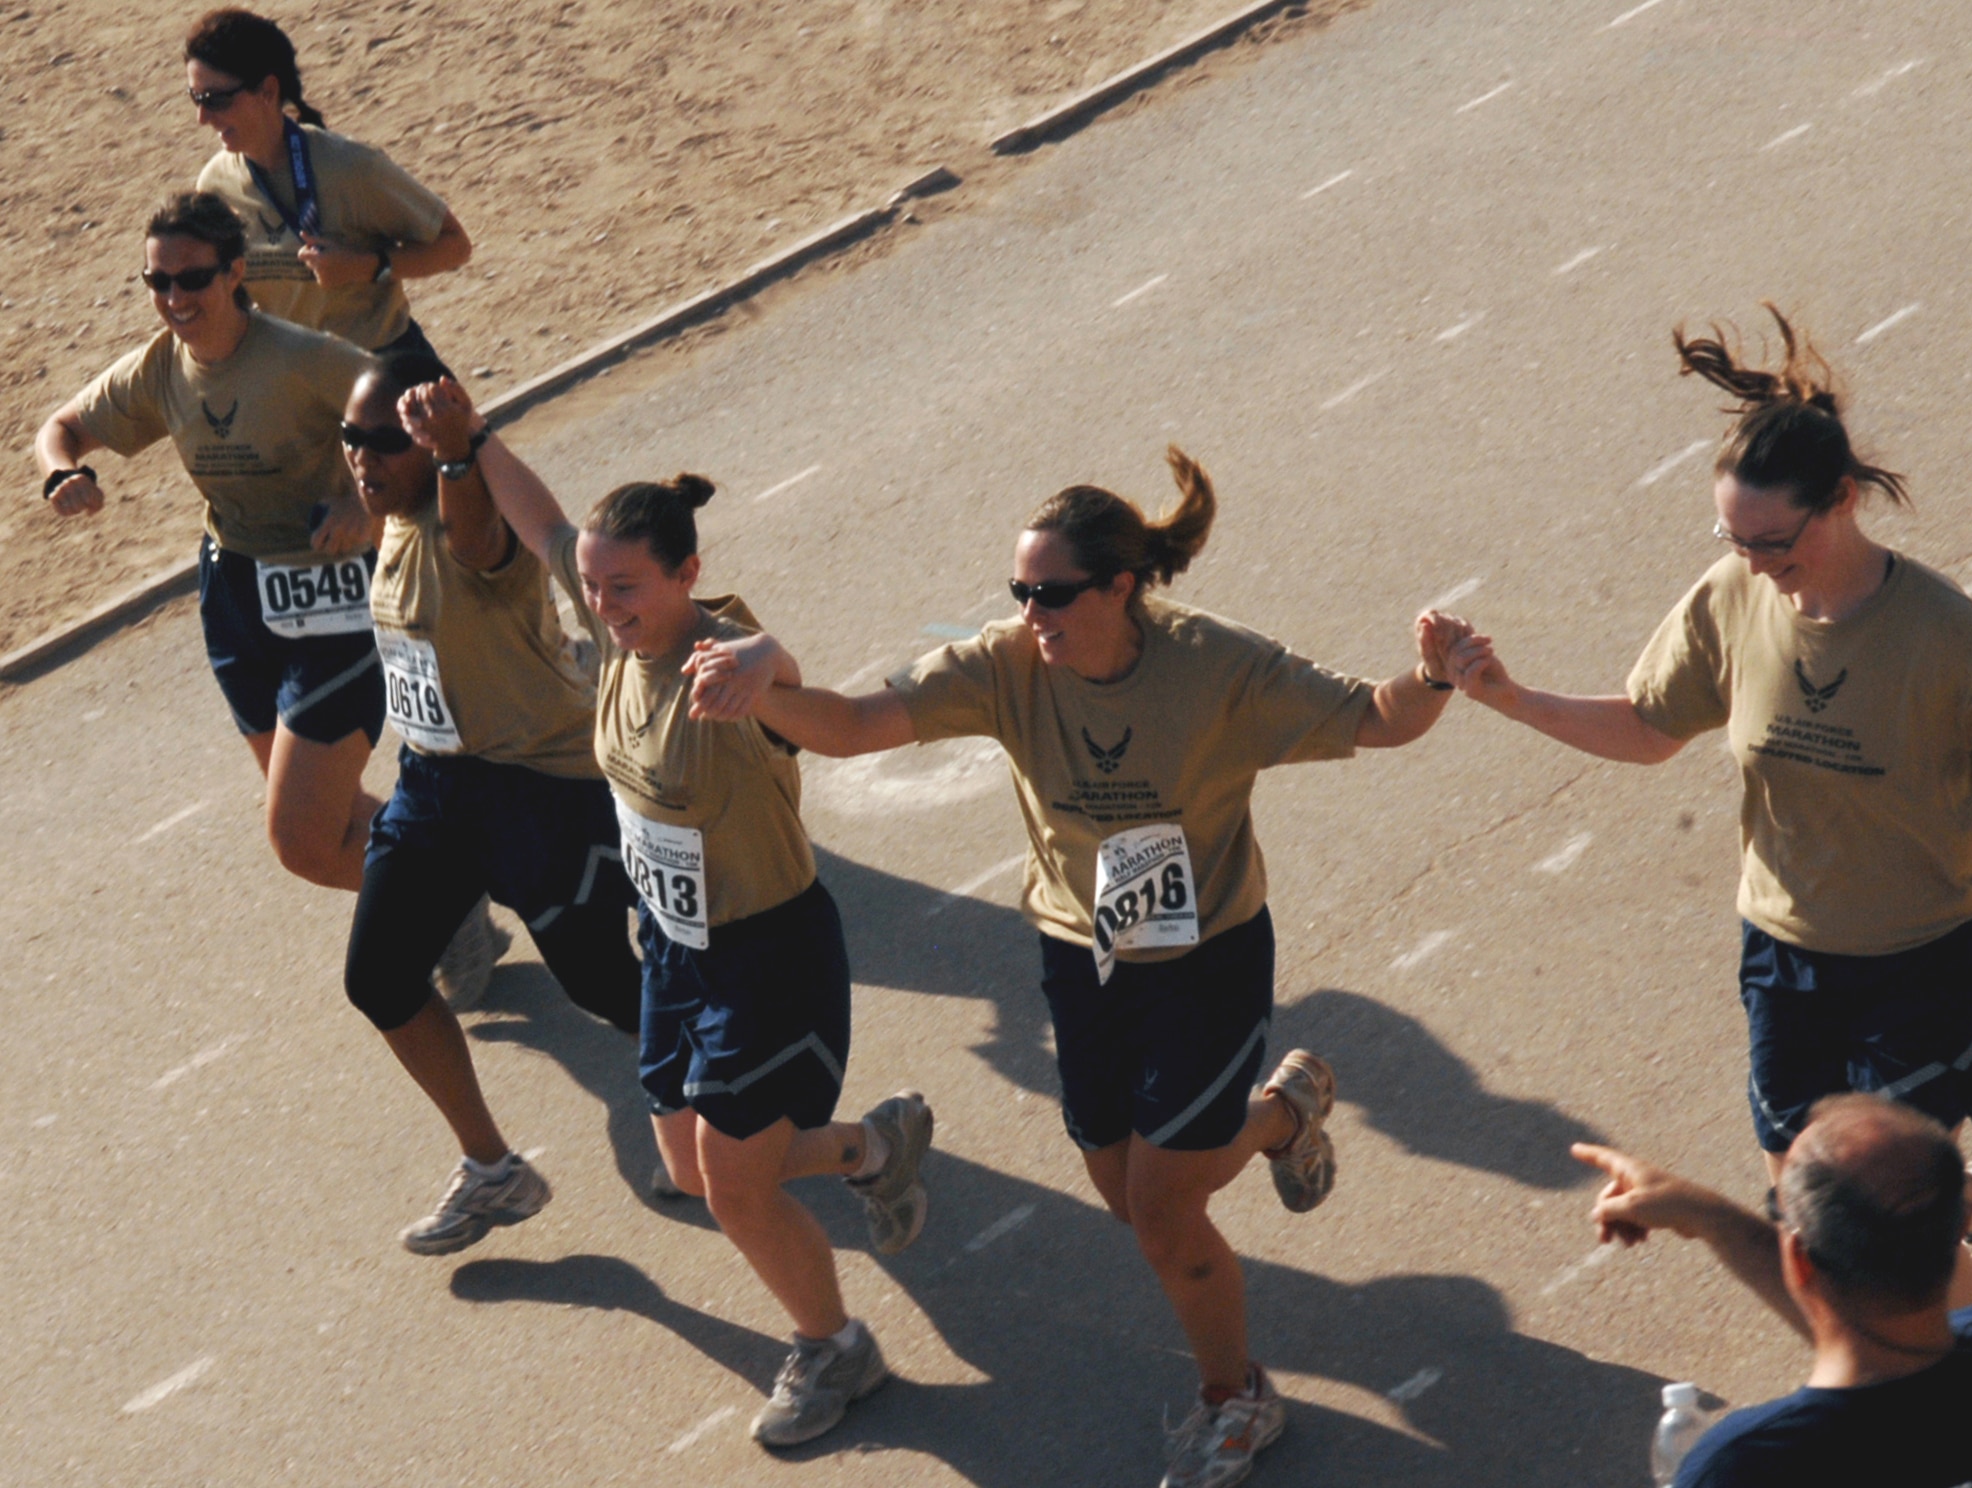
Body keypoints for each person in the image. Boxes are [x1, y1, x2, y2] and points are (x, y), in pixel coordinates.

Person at [687, 447, 1463, 1488]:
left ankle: (1237, 1401)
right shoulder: (1004, 664)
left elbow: (1377, 718)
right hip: (1080, 953)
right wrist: (765, 673)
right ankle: (1282, 1115)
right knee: (1120, 1188)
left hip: (1205, 960)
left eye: (1051, 594)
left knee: (1159, 1213)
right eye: (1020, 591)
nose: (1030, 611)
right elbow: (849, 726)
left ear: (1120, 588)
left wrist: (1431, 675)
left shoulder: (1214, 666)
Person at [1441, 305, 1972, 1182]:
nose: (1751, 563)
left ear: (1842, 501)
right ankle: (1970, 1226)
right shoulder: (1731, 598)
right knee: (1799, 1186)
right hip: (1783, 959)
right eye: (1733, 540)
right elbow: (1647, 727)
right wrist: (1508, 698)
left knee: (1872, 1212)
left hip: (1922, 968)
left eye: (1772, 542)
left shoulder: (1950, 639)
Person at [463, 416, 935, 1448]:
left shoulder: (722, 659)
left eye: (625, 588)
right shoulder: (611, 635)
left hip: (769, 951)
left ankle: (833, 1348)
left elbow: (791, 676)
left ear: (685, 576)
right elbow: (540, 523)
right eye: (593, 588)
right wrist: (470, 432)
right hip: (676, 953)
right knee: (683, 1167)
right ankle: (871, 1146)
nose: (602, 605)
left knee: (732, 1188)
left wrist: (764, 659)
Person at [336, 358, 646, 1253]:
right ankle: (493, 1170)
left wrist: (458, 455)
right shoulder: (389, 522)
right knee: (379, 979)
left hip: (540, 794)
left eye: (387, 441)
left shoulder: (468, 524)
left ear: (432, 447)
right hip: (434, 786)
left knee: (607, 988)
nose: (364, 458)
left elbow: (474, 534)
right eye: (352, 439)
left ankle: (749, 1112)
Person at [35, 191, 385, 892]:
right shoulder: (162, 367)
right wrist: (60, 475)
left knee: (299, 842)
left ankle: (437, 903)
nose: (173, 296)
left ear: (234, 273)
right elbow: (59, 429)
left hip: (334, 600)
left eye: (192, 277)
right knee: (327, 812)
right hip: (234, 600)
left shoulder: (300, 357)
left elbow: (402, 409)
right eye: (157, 281)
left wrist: (363, 502)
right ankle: (448, 875)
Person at [1576, 1097, 1972, 1486]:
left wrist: (1712, 1219)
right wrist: (1711, 1219)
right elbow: (1907, 1384)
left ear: (1798, 1259)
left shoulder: (1745, 1467)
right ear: (1962, 1225)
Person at [185, 9, 471, 358]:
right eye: (196, 98)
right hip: (295, 378)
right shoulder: (215, 185)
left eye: (216, 100)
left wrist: (368, 266)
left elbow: (455, 246)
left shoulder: (351, 167)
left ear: (268, 91)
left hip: (381, 367)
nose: (202, 117)